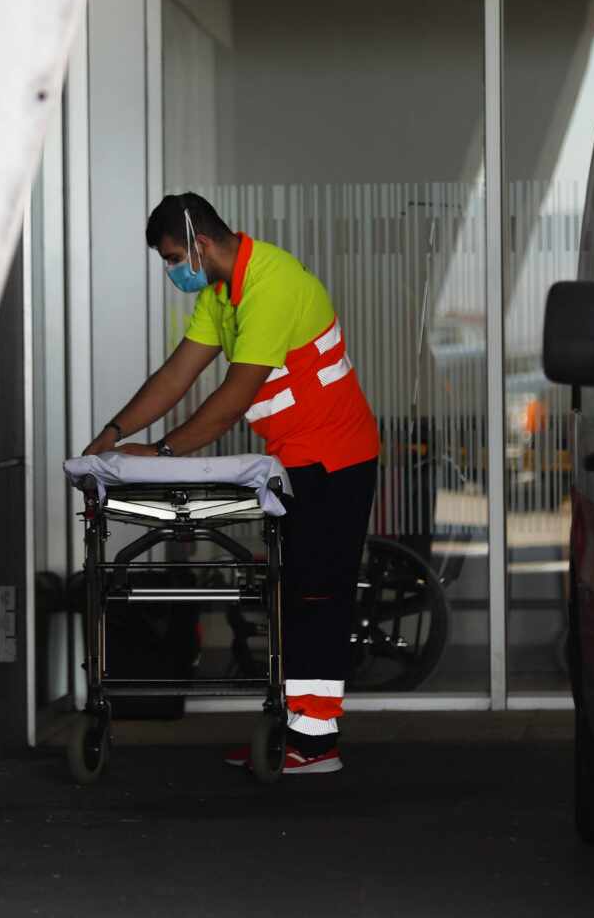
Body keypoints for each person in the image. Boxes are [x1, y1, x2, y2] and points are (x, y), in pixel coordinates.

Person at [81, 192, 380, 775]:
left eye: (173, 258)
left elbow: (233, 397)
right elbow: (176, 374)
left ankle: (316, 744)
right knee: (295, 593)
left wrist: (163, 451)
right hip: (296, 460)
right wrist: (113, 433)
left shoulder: (272, 282)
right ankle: (298, 734)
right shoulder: (222, 293)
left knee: (317, 596)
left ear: (202, 244)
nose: (172, 270)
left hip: (335, 458)